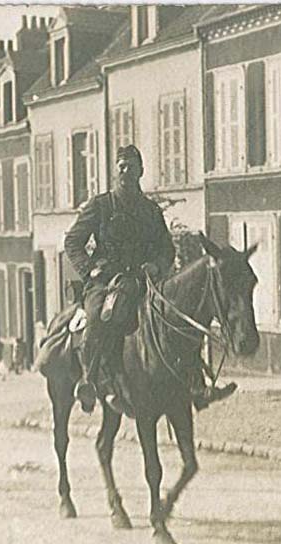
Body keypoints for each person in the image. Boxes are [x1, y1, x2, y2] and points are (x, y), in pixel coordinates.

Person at [63, 144, 236, 414]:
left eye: (130, 165)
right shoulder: (100, 206)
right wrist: (89, 270)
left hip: (145, 282)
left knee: (177, 319)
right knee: (98, 315)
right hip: (107, 281)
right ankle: (90, 379)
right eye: (121, 165)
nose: (125, 170)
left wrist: (156, 266)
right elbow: (72, 242)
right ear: (115, 170)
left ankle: (197, 385)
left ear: (140, 171)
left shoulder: (150, 211)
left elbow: (167, 249)